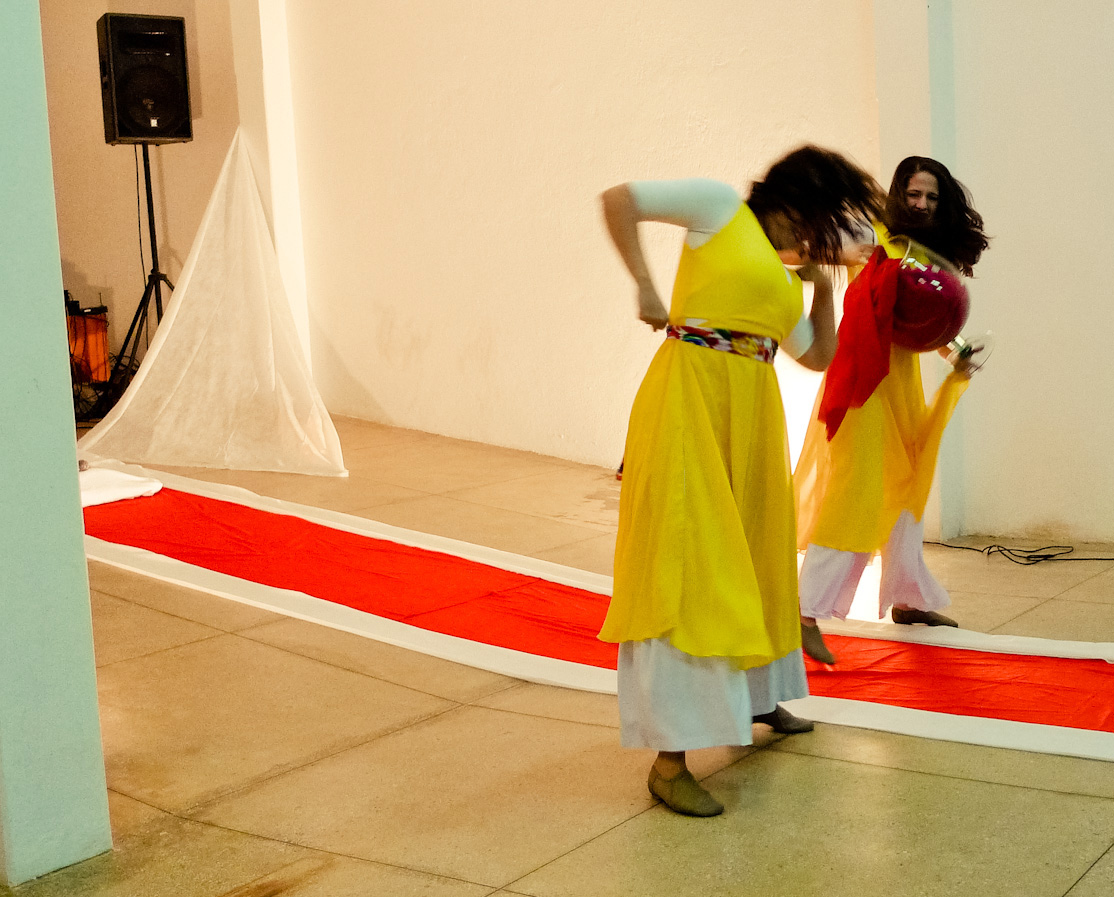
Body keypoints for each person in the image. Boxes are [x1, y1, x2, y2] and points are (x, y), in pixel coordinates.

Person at [598, 146, 884, 817]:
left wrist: (821, 288)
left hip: (751, 415)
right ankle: (670, 761)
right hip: (689, 399)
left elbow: (817, 355)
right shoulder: (720, 208)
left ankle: (758, 698)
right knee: (692, 559)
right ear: (798, 201)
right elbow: (619, 200)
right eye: (826, 219)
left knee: (756, 558)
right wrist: (644, 285)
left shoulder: (783, 275)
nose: (826, 236)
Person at [795, 156, 989, 665]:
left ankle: (907, 599)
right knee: (855, 495)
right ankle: (803, 613)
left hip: (897, 386)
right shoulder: (870, 234)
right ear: (898, 194)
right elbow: (797, 247)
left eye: (931, 197)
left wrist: (957, 352)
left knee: (907, 486)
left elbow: (923, 324)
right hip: (860, 385)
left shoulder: (924, 255)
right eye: (913, 194)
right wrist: (829, 260)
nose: (921, 204)